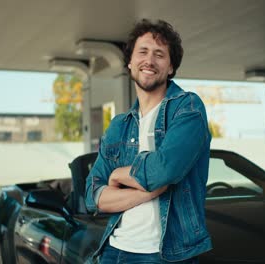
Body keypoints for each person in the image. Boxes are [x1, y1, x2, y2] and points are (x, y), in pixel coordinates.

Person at [85, 18, 212, 263]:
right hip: (114, 251)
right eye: (142, 52)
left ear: (171, 67)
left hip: (167, 254)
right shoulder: (119, 126)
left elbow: (164, 169)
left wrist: (118, 176)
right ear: (130, 63)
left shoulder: (188, 108)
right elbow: (93, 195)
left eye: (159, 54)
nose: (149, 60)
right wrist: (151, 189)